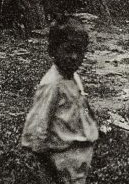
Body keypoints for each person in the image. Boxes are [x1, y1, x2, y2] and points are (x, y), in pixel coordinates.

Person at [21, 17, 98, 184]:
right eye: (68, 50)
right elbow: (40, 121)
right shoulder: (52, 84)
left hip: (77, 158)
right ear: (53, 50)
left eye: (79, 51)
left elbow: (80, 106)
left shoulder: (74, 77)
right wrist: (43, 160)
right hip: (61, 158)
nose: (74, 57)